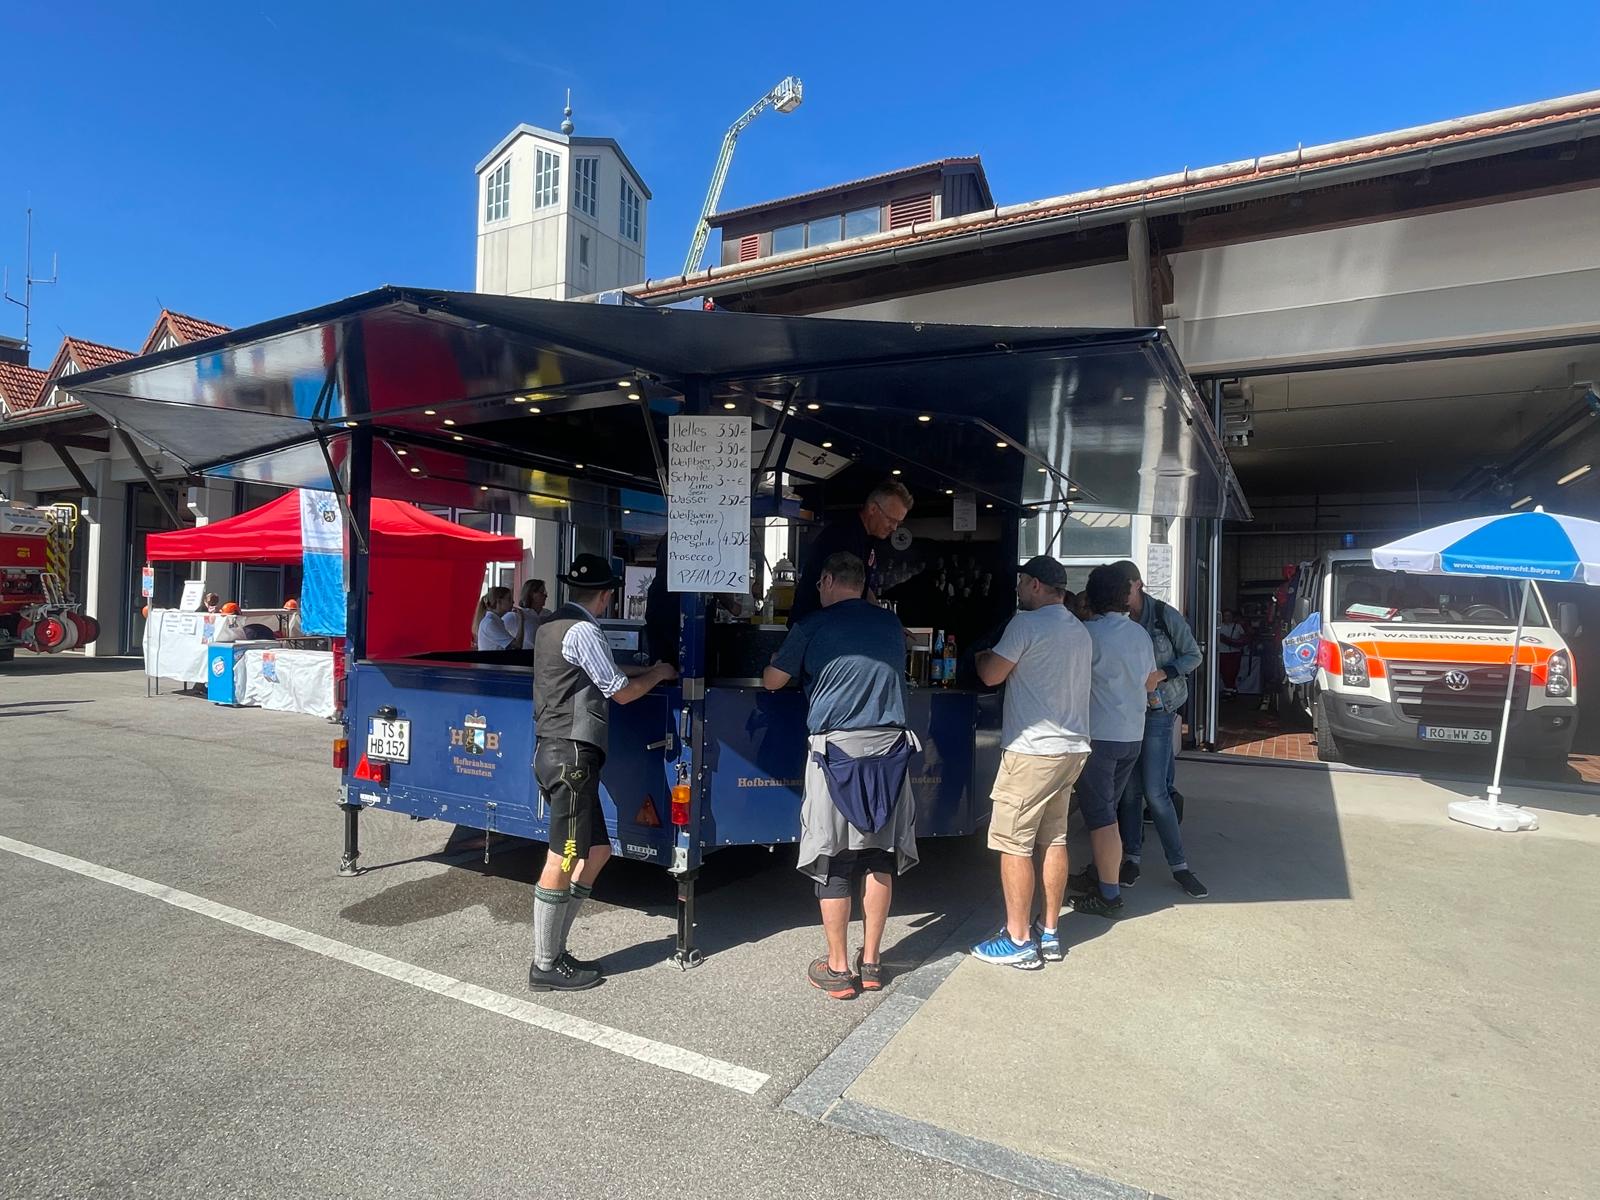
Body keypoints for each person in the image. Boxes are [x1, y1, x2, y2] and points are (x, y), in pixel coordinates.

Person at [763, 551, 919, 1000]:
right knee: (878, 856)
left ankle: (837, 968)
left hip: (836, 752)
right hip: (891, 750)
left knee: (833, 858)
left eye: (819, 583)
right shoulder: (890, 624)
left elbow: (773, 681)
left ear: (828, 580)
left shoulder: (812, 625)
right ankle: (871, 963)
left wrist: (779, 659)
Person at [529, 555, 679, 991]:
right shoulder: (584, 630)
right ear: (607, 595)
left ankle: (556, 949)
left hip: (557, 750)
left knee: (597, 851)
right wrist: (658, 675)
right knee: (564, 856)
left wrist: (648, 670)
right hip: (572, 755)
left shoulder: (552, 625)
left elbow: (599, 671)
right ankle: (545, 963)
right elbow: (621, 691)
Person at [970, 555, 1092, 969]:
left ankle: (1018, 939)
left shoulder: (1026, 625)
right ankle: (1049, 931)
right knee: (1054, 839)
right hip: (1072, 748)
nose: (1018, 589)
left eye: (1022, 582)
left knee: (1014, 844)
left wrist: (980, 655)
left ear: (1036, 585)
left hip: (1033, 751)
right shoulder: (1079, 630)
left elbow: (992, 675)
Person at [1067, 565, 1162, 917]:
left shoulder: (1087, 633)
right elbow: (1150, 682)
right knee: (1109, 810)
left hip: (1099, 737)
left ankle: (1109, 895)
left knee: (1101, 817)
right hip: (1131, 735)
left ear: (1092, 596)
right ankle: (1098, 873)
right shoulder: (1139, 634)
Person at [1112, 560, 1208, 899]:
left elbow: (1193, 655)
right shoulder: (1117, 619)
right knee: (1130, 792)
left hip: (1158, 711)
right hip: (1127, 713)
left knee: (1155, 792)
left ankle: (1180, 866)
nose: (1120, 595)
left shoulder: (1166, 616)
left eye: (1124, 587)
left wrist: (1162, 673)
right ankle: (1132, 859)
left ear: (1138, 584)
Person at [788, 481, 913, 625]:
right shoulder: (844, 536)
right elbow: (842, 596)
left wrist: (883, 621)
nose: (894, 528)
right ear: (873, 509)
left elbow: (861, 587)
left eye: (898, 523)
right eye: (891, 520)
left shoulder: (867, 539)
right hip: (814, 627)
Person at [473, 586, 517, 651]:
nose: (513, 602)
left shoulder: (495, 620)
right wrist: (521, 619)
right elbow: (517, 645)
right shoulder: (490, 623)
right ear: (499, 602)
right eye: (509, 599)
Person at [1217, 607, 1247, 699]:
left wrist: (1229, 641)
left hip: (1235, 653)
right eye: (1226, 616)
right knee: (1224, 673)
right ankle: (1230, 690)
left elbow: (1243, 639)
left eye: (1229, 615)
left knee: (1233, 672)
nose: (1227, 617)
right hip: (1222, 652)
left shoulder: (1238, 627)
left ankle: (1230, 690)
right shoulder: (1219, 626)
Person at [512, 578, 549, 650]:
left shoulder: (548, 614)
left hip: (545, 655)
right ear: (532, 594)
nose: (546, 596)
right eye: (542, 592)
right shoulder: (518, 614)